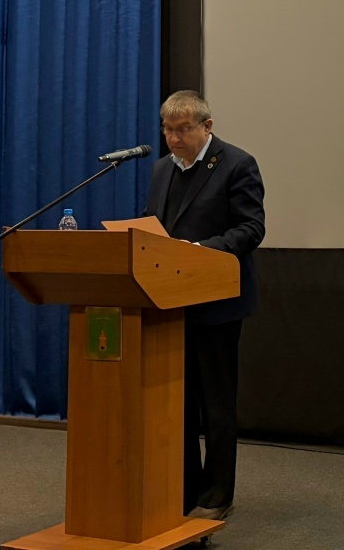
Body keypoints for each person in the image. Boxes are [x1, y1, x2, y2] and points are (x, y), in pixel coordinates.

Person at [144, 90, 265, 521]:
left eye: (182, 130)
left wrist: (198, 250)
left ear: (206, 127)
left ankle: (216, 495)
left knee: (215, 404)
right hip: (170, 303)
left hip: (216, 302)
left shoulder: (236, 164)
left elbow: (251, 228)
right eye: (167, 130)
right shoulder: (161, 170)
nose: (173, 139)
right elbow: (156, 228)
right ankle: (182, 491)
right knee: (176, 404)